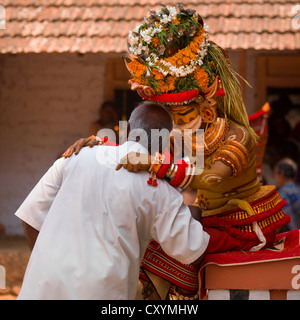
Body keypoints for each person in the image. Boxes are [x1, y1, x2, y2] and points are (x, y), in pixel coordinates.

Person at [15, 102, 209, 300]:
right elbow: (192, 247)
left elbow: (30, 215)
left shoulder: (76, 155)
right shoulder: (158, 189)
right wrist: (198, 211)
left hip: (42, 287)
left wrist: (45, 261)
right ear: (164, 144)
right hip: (102, 293)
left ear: (129, 129)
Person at [274, 158, 300, 230]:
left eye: (275, 174)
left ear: (281, 174)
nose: (275, 178)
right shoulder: (297, 188)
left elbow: (291, 220)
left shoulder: (283, 193)